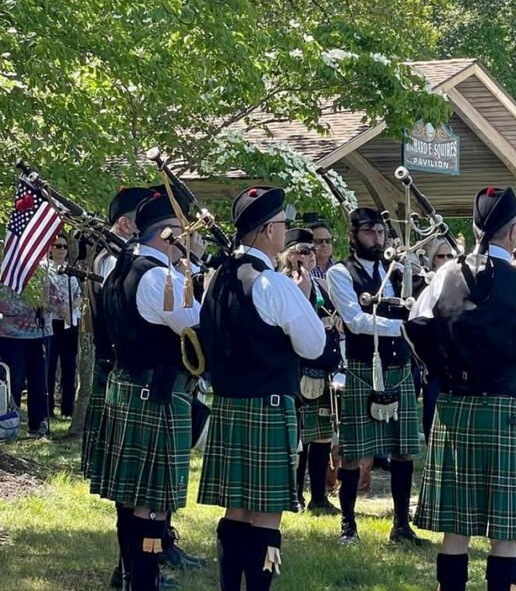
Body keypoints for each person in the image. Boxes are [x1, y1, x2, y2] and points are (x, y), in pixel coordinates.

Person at [404, 186, 516, 591]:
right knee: (505, 536)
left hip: (454, 410)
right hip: (504, 413)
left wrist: (439, 368)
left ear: (476, 227)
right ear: (513, 233)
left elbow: (415, 324)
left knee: (455, 531)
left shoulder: (445, 275)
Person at [198, 186, 326, 591]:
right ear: (269, 230)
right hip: (268, 408)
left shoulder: (216, 280)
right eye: (283, 226)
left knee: (236, 510)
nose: (285, 233)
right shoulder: (272, 284)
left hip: (229, 404)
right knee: (267, 513)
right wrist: (304, 301)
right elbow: (314, 345)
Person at [96, 191, 202, 591]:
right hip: (154, 395)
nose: (188, 238)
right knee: (151, 503)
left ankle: (131, 576)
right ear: (167, 235)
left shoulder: (122, 267)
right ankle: (144, 580)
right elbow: (195, 329)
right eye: (182, 231)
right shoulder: (158, 277)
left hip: (131, 390)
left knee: (132, 497)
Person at [326, 207, 424, 546]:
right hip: (363, 368)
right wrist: (405, 329)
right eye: (370, 232)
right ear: (353, 236)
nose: (377, 238)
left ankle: (400, 526)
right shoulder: (340, 273)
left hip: (398, 368)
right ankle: (348, 525)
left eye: (381, 232)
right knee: (353, 451)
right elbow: (354, 321)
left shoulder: (394, 270)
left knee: (403, 449)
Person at [280, 227, 342, 516]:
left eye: (313, 250)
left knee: (321, 436)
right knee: (296, 440)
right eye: (303, 250)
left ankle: (318, 496)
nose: (311, 255)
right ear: (289, 256)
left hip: (322, 369)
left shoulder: (321, 285)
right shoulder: (282, 284)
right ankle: (293, 496)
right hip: (295, 370)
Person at [0, 270, 54, 438]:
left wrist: (47, 302)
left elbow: (57, 301)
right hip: (12, 337)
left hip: (40, 336)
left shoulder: (42, 274)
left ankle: (37, 426)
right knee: (13, 384)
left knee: (39, 384)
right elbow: (4, 304)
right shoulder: (7, 273)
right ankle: (8, 426)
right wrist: (33, 303)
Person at [417, 237, 455, 443]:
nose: (446, 260)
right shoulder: (424, 282)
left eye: (450, 255)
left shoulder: (461, 280)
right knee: (431, 400)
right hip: (430, 355)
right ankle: (433, 446)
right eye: (441, 256)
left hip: (455, 353)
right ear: (433, 260)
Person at [45, 232, 82, 418]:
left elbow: (80, 295)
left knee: (69, 365)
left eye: (64, 247)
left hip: (70, 323)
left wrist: (70, 307)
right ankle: (48, 406)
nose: (61, 249)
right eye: (57, 246)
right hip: (51, 322)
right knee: (49, 366)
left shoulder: (72, 270)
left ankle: (67, 408)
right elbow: (43, 295)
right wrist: (60, 309)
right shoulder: (44, 269)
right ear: (50, 249)